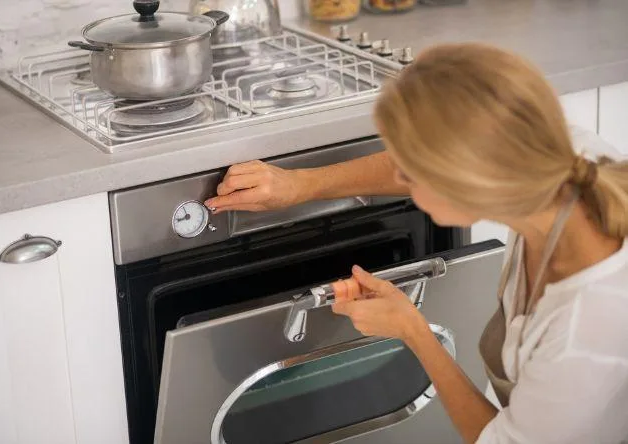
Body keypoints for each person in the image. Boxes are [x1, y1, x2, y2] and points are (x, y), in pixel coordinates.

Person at [205, 43, 628, 443]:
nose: (399, 180)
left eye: (410, 175)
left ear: (462, 185)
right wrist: (301, 185)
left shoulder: (588, 322)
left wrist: (414, 332)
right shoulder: (547, 155)